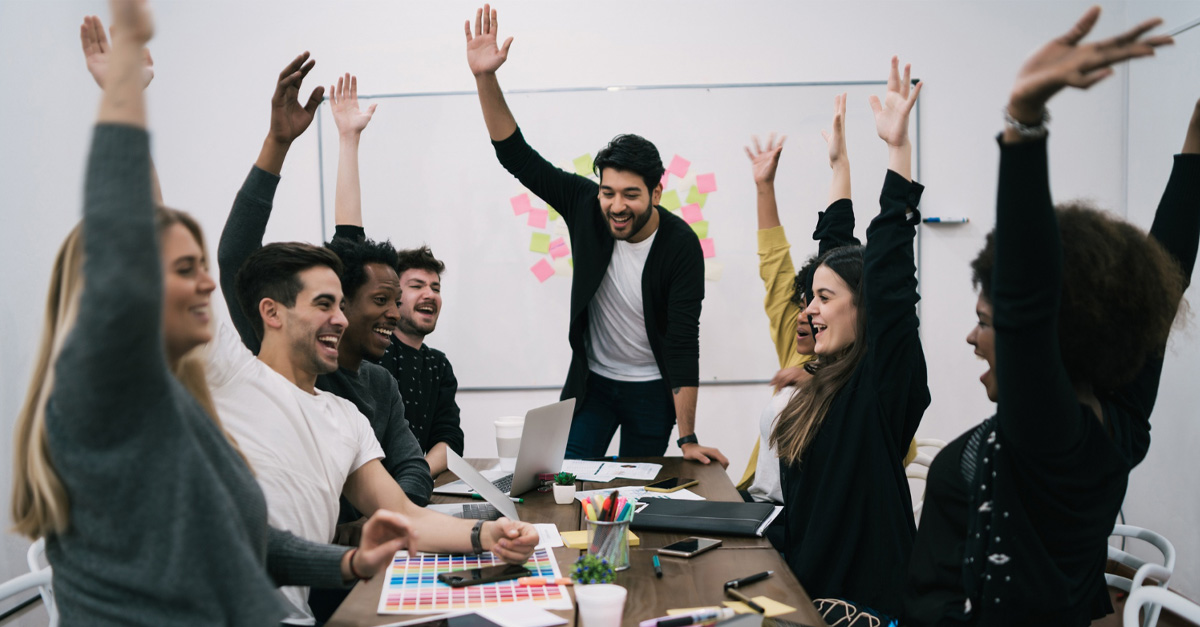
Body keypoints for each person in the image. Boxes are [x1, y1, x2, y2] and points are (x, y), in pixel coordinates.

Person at [9, 6, 414, 624]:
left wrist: (349, 564)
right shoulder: (106, 400)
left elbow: (258, 542)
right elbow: (137, 235)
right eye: (183, 271)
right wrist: (123, 96)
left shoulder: (192, 417)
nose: (207, 281)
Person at [211, 57, 538, 624]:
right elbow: (232, 254)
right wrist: (278, 144)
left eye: (342, 304)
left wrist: (490, 533)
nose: (342, 318)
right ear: (270, 314)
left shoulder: (347, 418)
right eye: (324, 305)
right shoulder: (233, 375)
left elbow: (406, 516)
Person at [904, 9, 1192, 625]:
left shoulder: (1048, 436)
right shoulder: (1118, 421)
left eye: (987, 320)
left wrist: (1024, 122)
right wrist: (1195, 149)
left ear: (1045, 339)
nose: (971, 336)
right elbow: (1169, 267)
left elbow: (1030, 299)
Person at [465, 4, 727, 466]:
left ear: (656, 193)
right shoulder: (586, 206)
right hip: (594, 384)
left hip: (651, 390)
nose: (616, 206)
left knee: (635, 494)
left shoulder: (681, 246)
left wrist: (688, 437)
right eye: (608, 192)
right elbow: (518, 157)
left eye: (631, 194)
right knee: (560, 479)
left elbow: (684, 342)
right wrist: (486, 78)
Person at [771, 57, 928, 621]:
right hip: (803, 589)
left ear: (868, 311)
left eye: (825, 300)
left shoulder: (881, 384)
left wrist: (896, 153)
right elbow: (837, 250)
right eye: (811, 298)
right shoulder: (825, 379)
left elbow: (887, 277)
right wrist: (838, 169)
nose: (810, 311)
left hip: (863, 608)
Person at [326, 73, 465, 478]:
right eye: (415, 285)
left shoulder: (435, 366)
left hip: (407, 492)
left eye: (436, 287)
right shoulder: (366, 356)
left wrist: (412, 475)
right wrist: (348, 141)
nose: (428, 295)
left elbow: (449, 441)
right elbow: (347, 239)